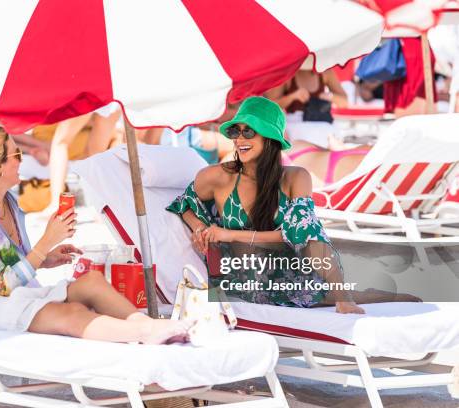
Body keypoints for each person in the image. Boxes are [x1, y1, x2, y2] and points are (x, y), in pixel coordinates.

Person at [0, 127, 190, 344]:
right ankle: (145, 333)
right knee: (72, 314)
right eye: (16, 154)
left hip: (17, 293)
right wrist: (45, 243)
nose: (22, 160)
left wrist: (46, 257)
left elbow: (12, 263)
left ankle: (148, 326)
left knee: (91, 281)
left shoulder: (10, 203)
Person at [167, 97, 419, 314]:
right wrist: (200, 227)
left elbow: (299, 235)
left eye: (248, 131)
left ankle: (346, 297)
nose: (239, 139)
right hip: (242, 279)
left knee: (309, 233)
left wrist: (229, 233)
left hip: (291, 273)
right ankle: (360, 294)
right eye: (235, 132)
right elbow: (184, 204)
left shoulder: (295, 177)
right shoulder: (216, 177)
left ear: (270, 138)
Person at [265, 69, 349, 150]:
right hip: (296, 123)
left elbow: (344, 102)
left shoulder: (325, 72)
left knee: (333, 139)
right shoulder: (286, 73)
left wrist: (331, 96)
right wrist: (292, 97)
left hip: (323, 121)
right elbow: (271, 106)